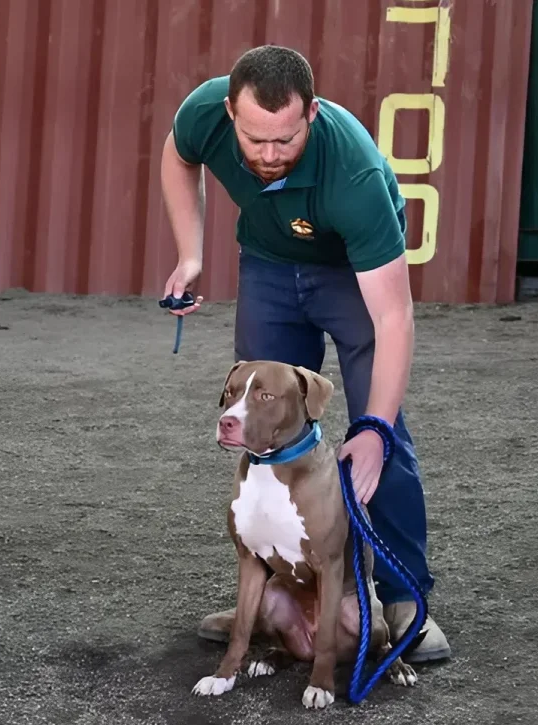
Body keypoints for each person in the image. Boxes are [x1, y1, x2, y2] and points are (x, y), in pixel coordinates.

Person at [160, 44, 449, 663]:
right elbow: (178, 155)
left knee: (384, 430)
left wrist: (371, 427)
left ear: (311, 114)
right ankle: (268, 590)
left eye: (284, 142)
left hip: (350, 270)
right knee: (264, 427)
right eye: (254, 140)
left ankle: (401, 598)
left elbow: (394, 318)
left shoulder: (356, 176)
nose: (267, 156)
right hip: (267, 263)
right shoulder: (204, 112)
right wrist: (191, 253)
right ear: (230, 112)